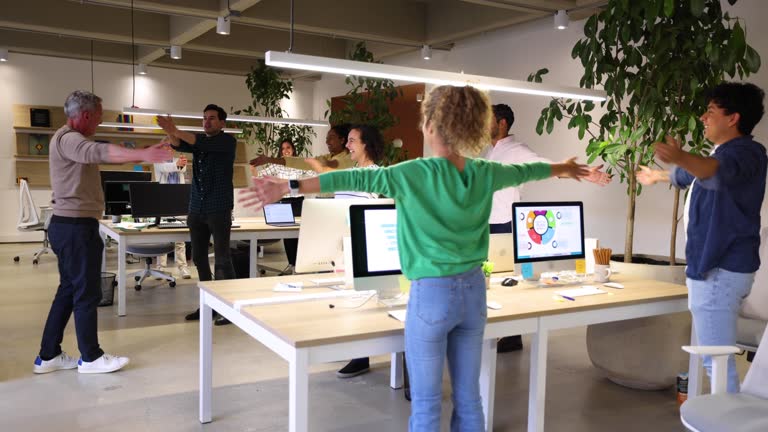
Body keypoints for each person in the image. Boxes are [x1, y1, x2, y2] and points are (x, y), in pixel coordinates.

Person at [239, 85, 590, 430]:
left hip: (431, 296)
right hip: (474, 294)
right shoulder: (486, 172)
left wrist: (290, 187)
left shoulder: (414, 173)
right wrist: (566, 168)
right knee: (469, 399)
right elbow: (531, 171)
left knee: (426, 406)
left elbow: (351, 176)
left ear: (431, 126)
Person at [636, 82, 766, 393]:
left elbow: (711, 170)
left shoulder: (747, 153)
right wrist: (658, 175)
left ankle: (729, 423)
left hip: (719, 271)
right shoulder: (720, 153)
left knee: (715, 361)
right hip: (715, 269)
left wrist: (680, 156)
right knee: (715, 358)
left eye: (710, 112)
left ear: (733, 118)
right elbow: (692, 173)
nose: (704, 118)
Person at [34, 90, 171, 375]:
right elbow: (100, 151)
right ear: (85, 115)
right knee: (86, 292)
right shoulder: (71, 139)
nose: (98, 122)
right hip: (75, 227)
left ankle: (48, 355)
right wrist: (142, 153)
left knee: (69, 290)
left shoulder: (66, 137)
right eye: (98, 117)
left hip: (67, 225)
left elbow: (98, 149)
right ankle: (91, 357)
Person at [484, 103, 611, 352]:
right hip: (488, 222)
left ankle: (511, 335)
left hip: (505, 224)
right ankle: (502, 330)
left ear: (502, 123)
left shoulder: (517, 150)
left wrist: (585, 173)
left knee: (508, 280)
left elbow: (547, 167)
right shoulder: (490, 150)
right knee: (494, 280)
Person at [157, 104, 237, 326]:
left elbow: (196, 142)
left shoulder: (227, 142)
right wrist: (170, 132)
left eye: (212, 118)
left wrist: (175, 129)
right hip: (196, 209)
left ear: (222, 123)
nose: (207, 122)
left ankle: (228, 309)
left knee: (222, 259)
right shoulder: (198, 143)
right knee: (200, 258)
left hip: (218, 208)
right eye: (204, 118)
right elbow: (179, 145)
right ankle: (208, 306)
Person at [329, 124, 385, 378]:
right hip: (345, 245)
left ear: (366, 144)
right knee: (350, 300)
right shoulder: (350, 173)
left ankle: (361, 356)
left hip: (367, 246)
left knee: (367, 302)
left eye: (352, 141)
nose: (348, 145)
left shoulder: (376, 175)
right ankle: (356, 349)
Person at [249, 124, 353, 172]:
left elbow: (336, 164)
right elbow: (303, 162)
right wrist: (268, 159)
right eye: (327, 138)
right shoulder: (328, 156)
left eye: (331, 138)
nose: (327, 142)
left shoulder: (349, 158)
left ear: (342, 140)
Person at [153, 153, 191, 279]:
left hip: (178, 199)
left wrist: (181, 163)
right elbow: (166, 168)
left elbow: (182, 168)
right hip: (163, 200)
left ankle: (183, 267)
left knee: (180, 237)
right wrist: (177, 164)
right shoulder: (157, 159)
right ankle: (160, 268)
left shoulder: (177, 159)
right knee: (162, 237)